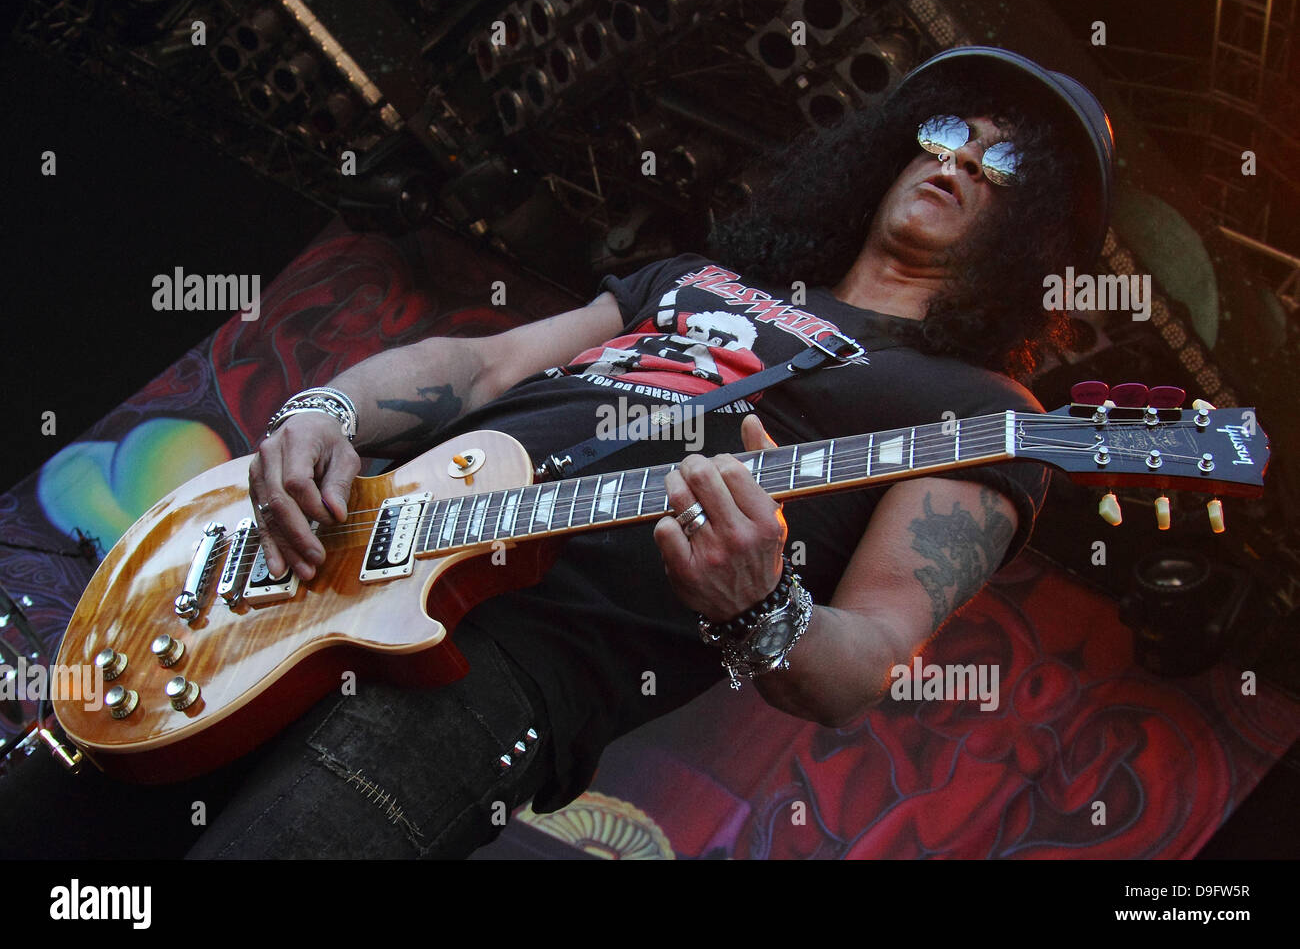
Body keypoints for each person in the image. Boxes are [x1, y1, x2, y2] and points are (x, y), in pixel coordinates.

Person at [7, 46, 1117, 859]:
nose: (960, 160)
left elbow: (862, 657)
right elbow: (484, 368)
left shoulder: (980, 407)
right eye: (943, 132)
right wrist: (325, 409)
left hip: (495, 679)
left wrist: (762, 601)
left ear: (1035, 229)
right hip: (312, 578)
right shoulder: (691, 279)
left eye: (1003, 157)